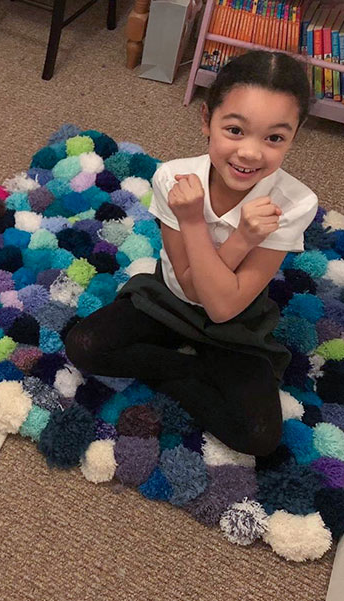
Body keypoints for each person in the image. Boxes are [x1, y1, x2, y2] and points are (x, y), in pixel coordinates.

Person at [65, 50, 318, 457]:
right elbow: (188, 285)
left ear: (294, 135)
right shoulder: (174, 178)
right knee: (83, 344)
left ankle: (178, 369)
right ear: (207, 120)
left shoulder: (296, 201)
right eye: (235, 130)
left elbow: (220, 307)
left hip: (237, 318)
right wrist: (205, 223)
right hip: (170, 298)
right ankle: (188, 370)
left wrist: (209, 228)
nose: (251, 153)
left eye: (274, 137)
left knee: (258, 437)